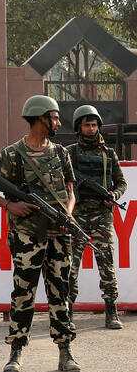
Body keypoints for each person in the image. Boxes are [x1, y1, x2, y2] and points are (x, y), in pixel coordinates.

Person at [0, 95, 79, 372]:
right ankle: (16, 351)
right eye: (54, 117)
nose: (58, 122)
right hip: (27, 236)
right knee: (24, 292)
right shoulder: (11, 154)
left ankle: (65, 351)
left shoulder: (61, 154)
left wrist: (68, 212)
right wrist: (10, 204)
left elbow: (71, 192)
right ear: (39, 118)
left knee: (61, 292)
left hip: (59, 234)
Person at [65, 105, 127, 329]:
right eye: (87, 125)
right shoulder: (69, 153)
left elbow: (121, 182)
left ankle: (111, 311)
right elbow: (62, 181)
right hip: (78, 215)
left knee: (107, 262)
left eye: (94, 125)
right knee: (70, 266)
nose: (91, 129)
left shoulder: (109, 154)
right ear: (78, 127)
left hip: (102, 215)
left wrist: (114, 195)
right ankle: (67, 311)